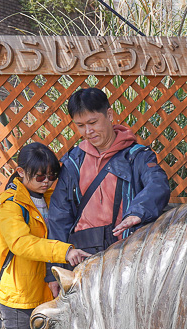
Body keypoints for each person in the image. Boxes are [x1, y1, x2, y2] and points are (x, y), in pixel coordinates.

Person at [46, 87, 171, 296]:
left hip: (127, 258)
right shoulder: (72, 163)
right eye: (80, 125)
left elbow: (157, 184)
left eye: (93, 122)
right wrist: (55, 271)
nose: (88, 131)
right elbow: (59, 216)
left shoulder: (137, 157)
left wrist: (137, 212)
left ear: (110, 115)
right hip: (82, 261)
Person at [0, 143, 91, 329]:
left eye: (51, 176)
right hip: (20, 297)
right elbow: (21, 243)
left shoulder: (52, 199)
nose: (47, 182)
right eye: (40, 177)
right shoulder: (11, 205)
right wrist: (64, 251)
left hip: (48, 293)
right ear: (21, 172)